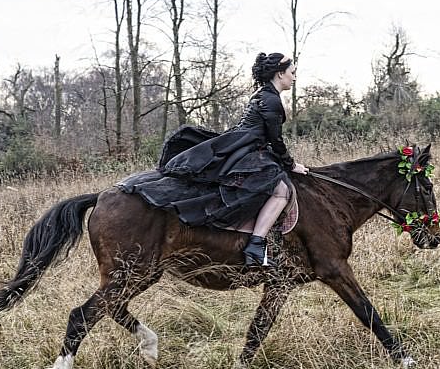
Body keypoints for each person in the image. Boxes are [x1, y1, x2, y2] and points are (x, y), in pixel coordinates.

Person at [118, 51, 308, 266]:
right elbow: (276, 140)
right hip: (250, 149)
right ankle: (256, 244)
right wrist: (292, 165)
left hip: (245, 145)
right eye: (292, 73)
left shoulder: (261, 94)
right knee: (282, 191)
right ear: (280, 74)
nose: (294, 77)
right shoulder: (271, 100)